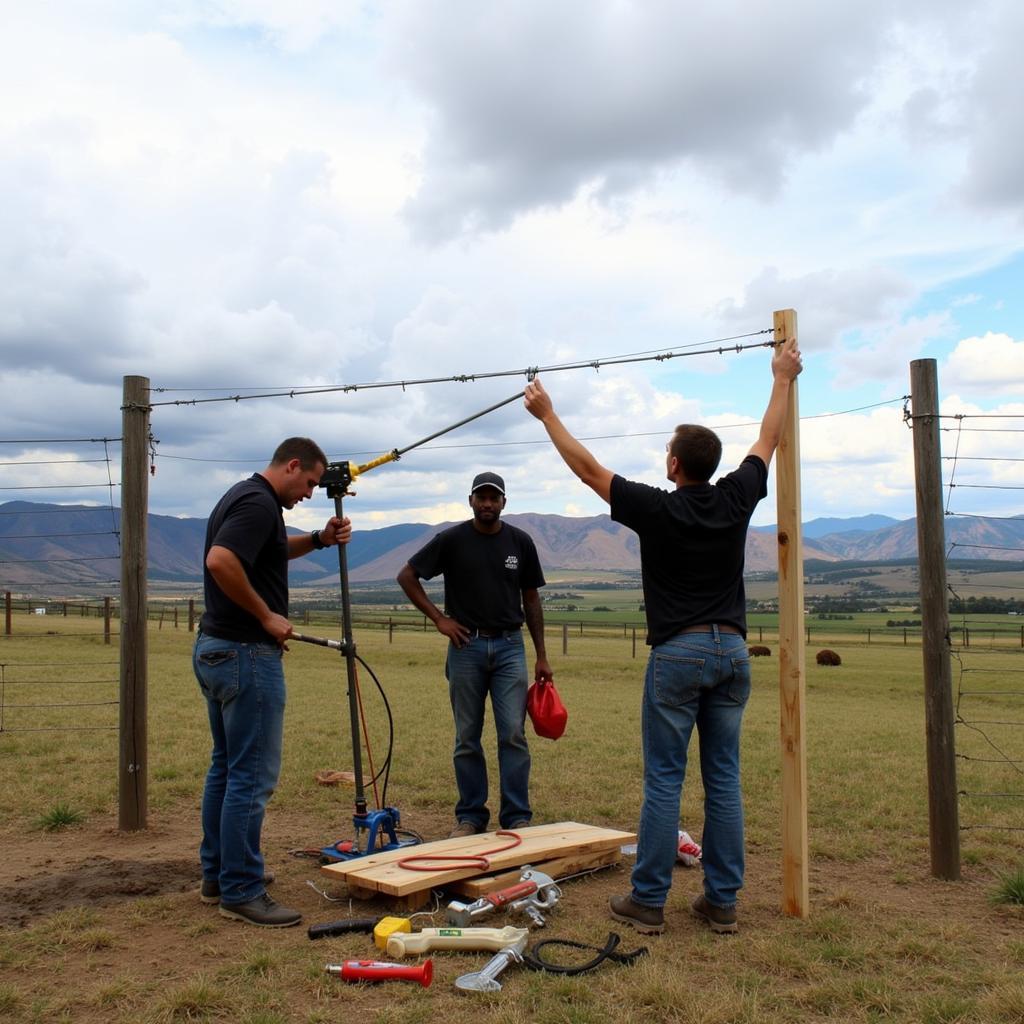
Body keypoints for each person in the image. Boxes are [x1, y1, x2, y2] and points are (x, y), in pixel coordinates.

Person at [524, 341, 803, 935]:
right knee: (724, 777)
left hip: (677, 652)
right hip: (732, 651)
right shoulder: (736, 496)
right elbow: (768, 440)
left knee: (665, 778)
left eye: (667, 453)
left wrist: (548, 414)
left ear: (675, 464)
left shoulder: (657, 508)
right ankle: (721, 902)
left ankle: (648, 901)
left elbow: (588, 470)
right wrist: (781, 377)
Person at [193, 437, 351, 928]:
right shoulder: (260, 504)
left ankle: (219, 875)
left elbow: (272, 552)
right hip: (245, 653)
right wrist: (266, 616)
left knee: (227, 768)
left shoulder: (242, 497)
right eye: (308, 483)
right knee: (251, 776)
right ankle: (241, 889)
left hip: (216, 649)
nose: (309, 493)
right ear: (293, 465)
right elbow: (221, 561)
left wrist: (321, 539)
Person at [397, 471, 552, 838]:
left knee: (513, 733)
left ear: (503, 503)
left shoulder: (520, 542)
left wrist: (542, 655)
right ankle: (470, 817)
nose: (487, 504)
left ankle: (516, 817)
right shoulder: (452, 540)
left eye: (493, 498)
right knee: (467, 735)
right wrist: (439, 619)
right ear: (470, 501)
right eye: (480, 497)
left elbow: (531, 598)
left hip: (511, 646)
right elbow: (407, 575)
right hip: (465, 646)